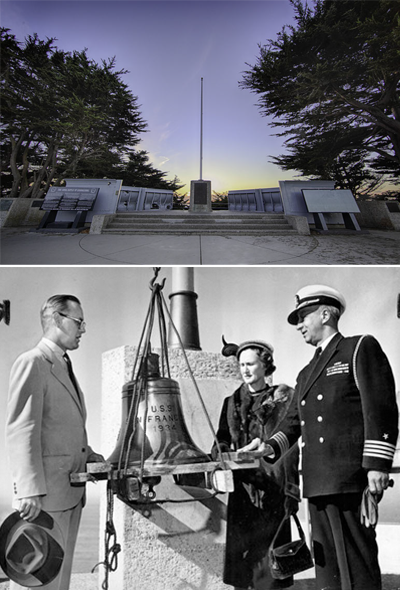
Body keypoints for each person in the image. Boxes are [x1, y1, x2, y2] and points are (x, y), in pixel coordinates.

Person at [240, 285, 399, 590]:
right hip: (318, 483)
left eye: (303, 316)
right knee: (329, 571)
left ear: (326, 314)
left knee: (357, 566)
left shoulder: (358, 348)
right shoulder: (306, 372)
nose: (299, 325)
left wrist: (378, 464)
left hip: (349, 479)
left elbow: (380, 407)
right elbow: (292, 424)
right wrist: (268, 446)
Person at [5, 294, 105, 590]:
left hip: (69, 496)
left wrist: (91, 457)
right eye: (79, 321)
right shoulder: (33, 362)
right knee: (36, 584)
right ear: (58, 319)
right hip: (43, 502)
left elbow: (59, 432)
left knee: (58, 584)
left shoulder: (62, 366)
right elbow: (22, 429)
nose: (83, 329)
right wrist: (28, 491)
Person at [212, 339, 300, 590]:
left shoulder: (283, 398)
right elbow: (220, 440)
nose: (245, 370)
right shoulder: (231, 403)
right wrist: (225, 453)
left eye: (251, 364)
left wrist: (291, 490)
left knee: (269, 573)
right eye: (241, 365)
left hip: (274, 493)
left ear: (265, 366)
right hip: (242, 495)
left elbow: (291, 449)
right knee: (242, 570)